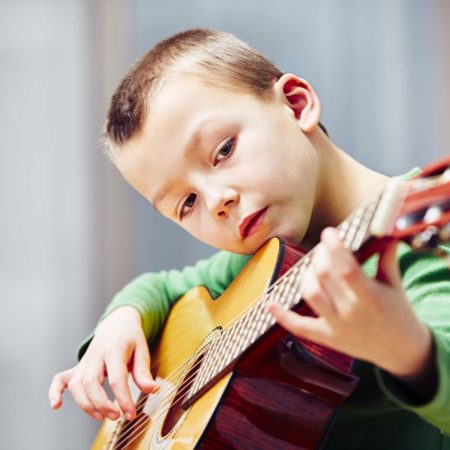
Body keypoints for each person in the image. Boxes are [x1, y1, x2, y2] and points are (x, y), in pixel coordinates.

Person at [48, 29, 450, 449]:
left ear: (296, 105)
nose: (219, 201)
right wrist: (120, 320)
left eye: (223, 150)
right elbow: (165, 286)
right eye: (187, 202)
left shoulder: (417, 254)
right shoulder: (260, 263)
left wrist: (412, 353)